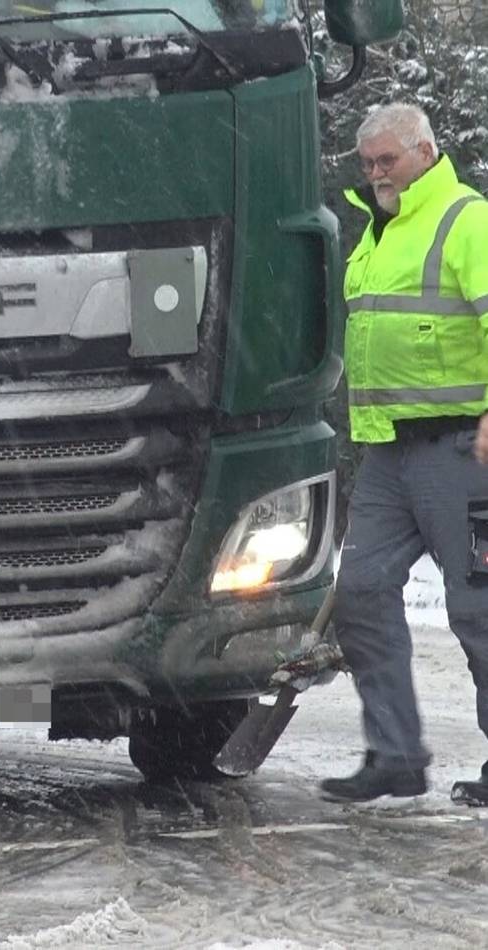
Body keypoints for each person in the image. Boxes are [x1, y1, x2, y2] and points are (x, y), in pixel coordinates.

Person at [318, 104, 488, 805]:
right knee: (358, 592)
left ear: (425, 148)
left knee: (478, 612)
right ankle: (394, 755)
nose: (376, 173)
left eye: (387, 160)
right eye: (367, 164)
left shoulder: (465, 219)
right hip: (390, 453)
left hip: (462, 451)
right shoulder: (378, 230)